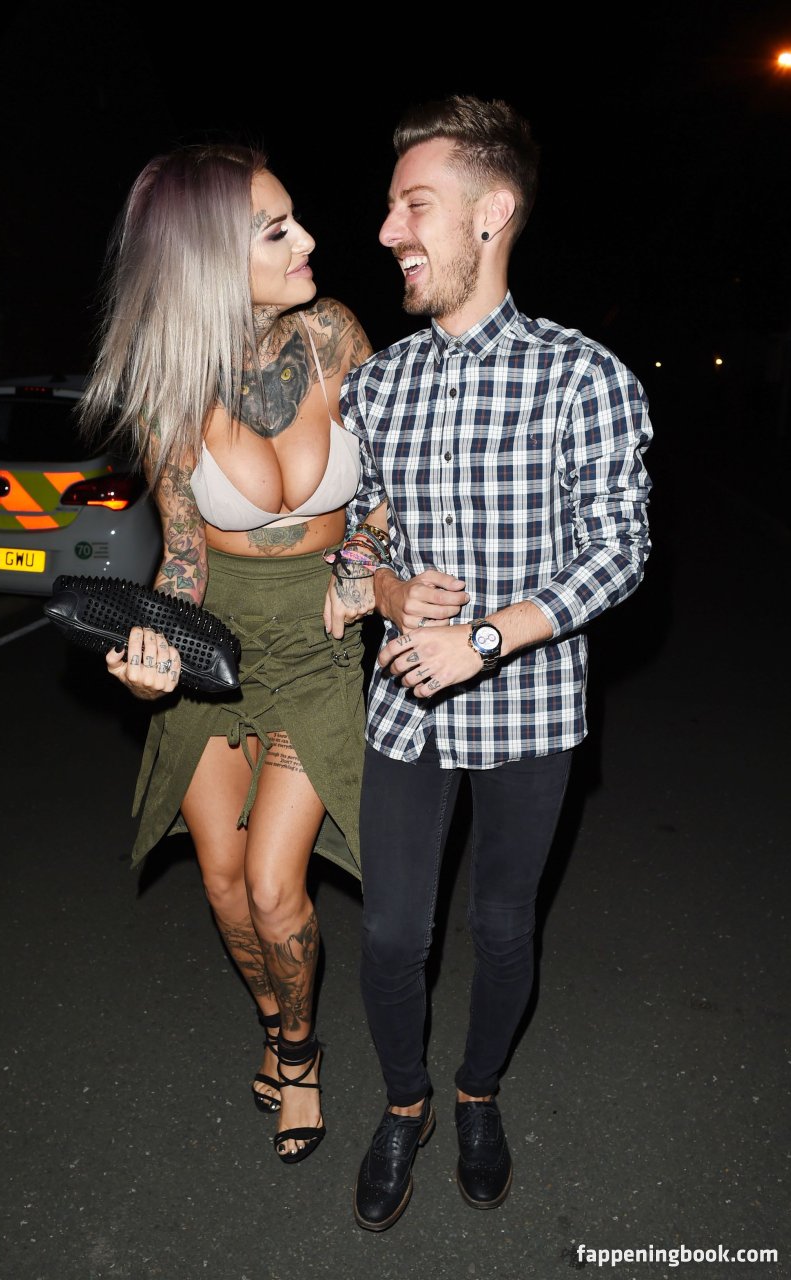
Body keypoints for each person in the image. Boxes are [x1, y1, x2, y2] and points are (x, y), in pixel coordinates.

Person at [324, 94, 654, 1230]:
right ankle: (404, 1103)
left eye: (412, 205)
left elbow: (619, 548)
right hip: (405, 708)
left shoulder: (584, 377)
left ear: (490, 212)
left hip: (529, 710)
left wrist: (483, 635)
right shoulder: (375, 384)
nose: (386, 231)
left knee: (504, 926)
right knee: (387, 933)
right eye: (388, 208)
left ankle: (475, 1093)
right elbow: (357, 532)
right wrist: (383, 587)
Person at [77, 142, 377, 1166]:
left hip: (318, 646)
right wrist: (152, 647)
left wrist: (364, 558)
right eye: (275, 230)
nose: (307, 240)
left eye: (295, 219)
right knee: (219, 881)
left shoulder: (336, 335)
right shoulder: (170, 387)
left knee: (274, 882)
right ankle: (272, 1018)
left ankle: (299, 1052)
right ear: (209, 258)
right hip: (217, 643)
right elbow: (183, 555)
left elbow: (392, 479)